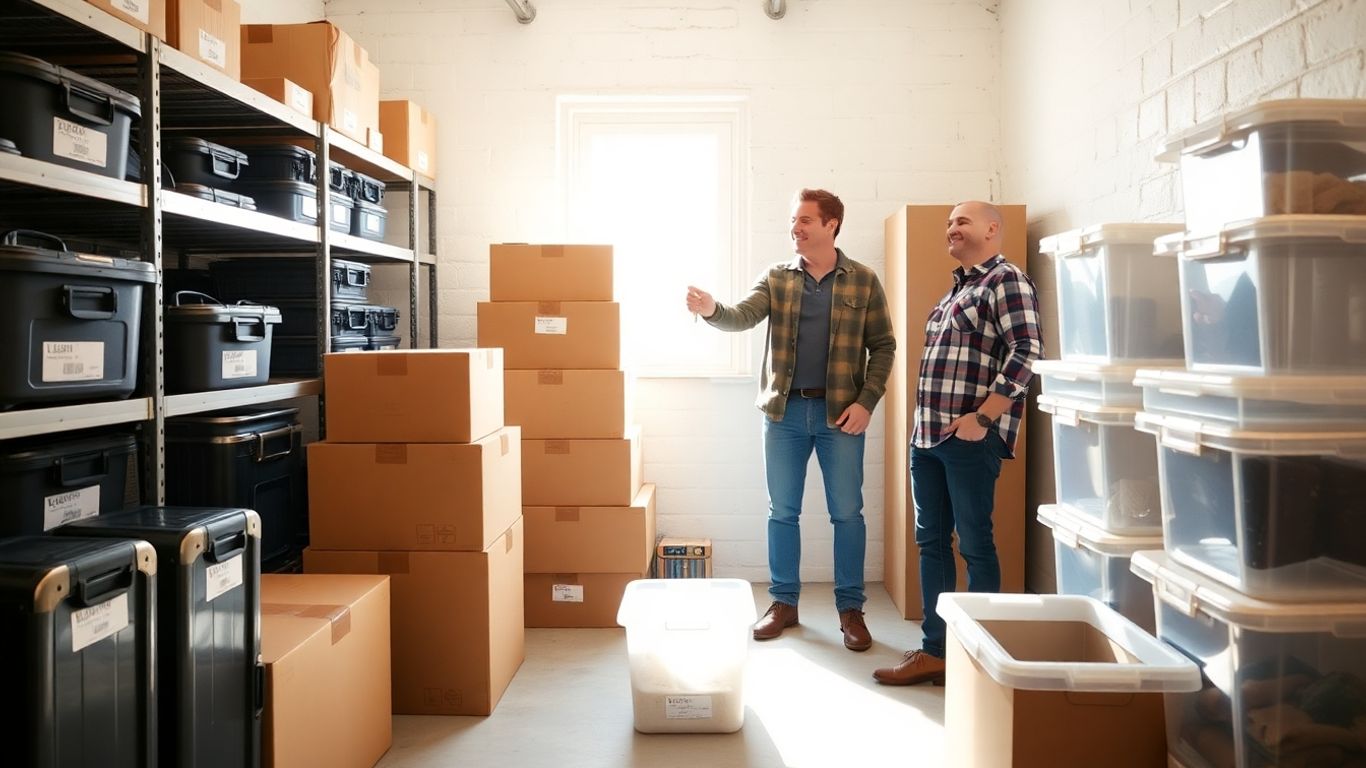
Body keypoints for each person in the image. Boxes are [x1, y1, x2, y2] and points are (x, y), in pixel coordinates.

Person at [685, 188, 896, 652]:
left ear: (831, 224)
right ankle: (783, 603)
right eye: (793, 221)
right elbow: (741, 316)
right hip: (783, 414)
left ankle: (851, 610)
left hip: (841, 415)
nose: (795, 229)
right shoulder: (777, 278)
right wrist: (711, 311)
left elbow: (883, 346)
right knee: (782, 512)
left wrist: (867, 402)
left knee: (847, 514)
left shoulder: (863, 280)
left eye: (805, 220)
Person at [873, 200, 1043, 685]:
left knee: (976, 547)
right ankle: (938, 651)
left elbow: (1028, 350)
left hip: (968, 439)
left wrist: (985, 418)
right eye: (949, 223)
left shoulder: (1004, 280)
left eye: (961, 222)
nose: (951, 229)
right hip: (927, 438)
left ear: (992, 230)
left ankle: (978, 657)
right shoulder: (958, 289)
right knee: (932, 545)